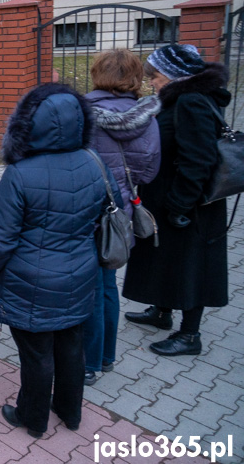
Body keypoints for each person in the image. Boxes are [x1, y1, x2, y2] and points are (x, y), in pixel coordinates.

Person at [0, 83, 116, 437]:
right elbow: (107, 211)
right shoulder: (93, 161)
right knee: (72, 348)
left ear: (29, 123)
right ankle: (70, 413)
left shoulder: (20, 173)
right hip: (80, 274)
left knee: (37, 354)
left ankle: (32, 417)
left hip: (31, 282)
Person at [123, 44, 231, 356]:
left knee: (190, 266)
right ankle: (161, 311)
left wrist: (180, 204)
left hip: (190, 205)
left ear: (173, 76)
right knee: (167, 259)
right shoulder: (179, 99)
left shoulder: (192, 102)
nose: (151, 82)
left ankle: (189, 335)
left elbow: (198, 159)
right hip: (173, 198)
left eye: (154, 76)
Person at [83, 49, 161, 385]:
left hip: (87, 210)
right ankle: (105, 357)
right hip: (121, 212)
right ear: (135, 77)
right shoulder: (148, 116)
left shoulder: (84, 112)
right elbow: (150, 168)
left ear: (98, 73)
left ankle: (88, 364)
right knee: (108, 285)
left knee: (89, 287)